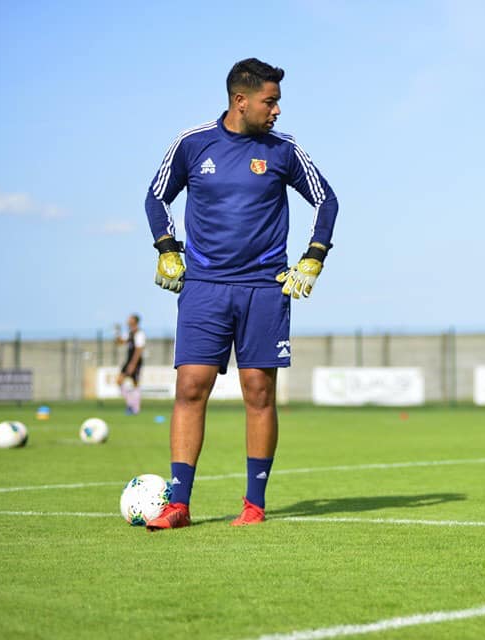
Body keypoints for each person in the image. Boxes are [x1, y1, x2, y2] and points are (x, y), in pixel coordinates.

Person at [142, 58, 338, 530]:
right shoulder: (192, 144)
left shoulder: (284, 150)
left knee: (258, 392)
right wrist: (167, 248)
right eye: (269, 102)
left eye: (277, 103)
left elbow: (326, 200)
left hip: (264, 289)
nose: (275, 111)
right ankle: (178, 504)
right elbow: (156, 196)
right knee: (190, 387)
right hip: (204, 288)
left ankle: (253, 505)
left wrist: (313, 258)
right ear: (240, 100)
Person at [115, 314, 146, 415]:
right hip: (128, 360)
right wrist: (117, 332)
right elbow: (120, 342)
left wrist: (133, 364)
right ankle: (130, 404)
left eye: (130, 319)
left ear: (135, 321)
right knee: (119, 381)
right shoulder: (130, 333)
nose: (128, 320)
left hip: (135, 361)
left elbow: (139, 350)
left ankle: (136, 408)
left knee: (135, 383)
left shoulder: (139, 333)